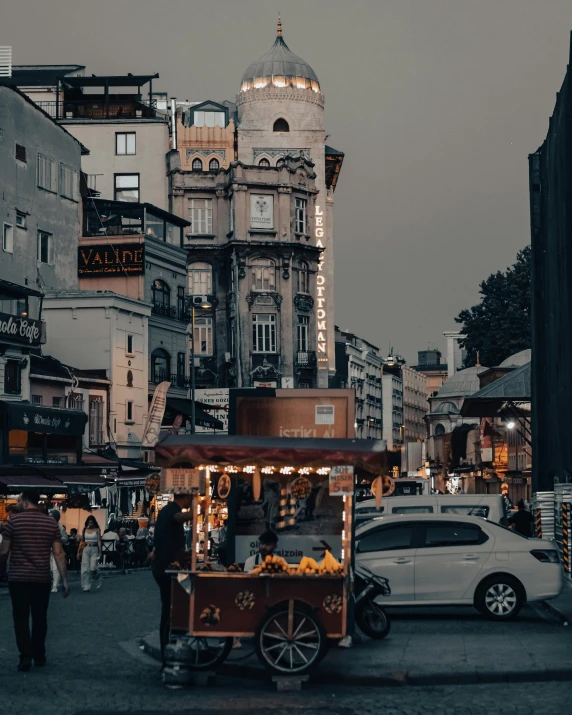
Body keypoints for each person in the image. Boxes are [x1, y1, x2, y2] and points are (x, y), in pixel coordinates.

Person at [0, 490, 69, 671]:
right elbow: (59, 553)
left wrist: (0, 570)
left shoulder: (13, 522)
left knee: (20, 618)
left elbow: (4, 551)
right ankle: (39, 654)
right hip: (41, 578)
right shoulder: (50, 523)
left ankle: (25, 655)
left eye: (20, 500)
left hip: (18, 578)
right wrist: (64, 580)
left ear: (24, 502)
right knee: (40, 618)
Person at [150, 488, 195, 664]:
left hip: (164, 566)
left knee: (170, 608)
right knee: (168, 610)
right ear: (187, 497)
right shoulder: (171, 510)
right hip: (166, 568)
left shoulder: (166, 509)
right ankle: (166, 652)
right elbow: (179, 518)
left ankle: (169, 646)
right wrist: (199, 510)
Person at [79, 515, 102, 592]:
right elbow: (82, 541)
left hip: (94, 548)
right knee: (85, 568)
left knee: (93, 568)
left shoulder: (97, 530)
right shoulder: (84, 529)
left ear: (94, 522)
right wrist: (79, 551)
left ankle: (98, 579)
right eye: (89, 522)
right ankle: (86, 586)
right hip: (86, 548)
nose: (90, 524)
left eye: (91, 522)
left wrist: (100, 551)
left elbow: (99, 540)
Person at [49, 510, 69, 593]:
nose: (50, 518)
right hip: (46, 550)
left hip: (56, 549)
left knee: (55, 568)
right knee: (49, 568)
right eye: (49, 516)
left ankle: (55, 585)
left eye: (51, 516)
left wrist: (58, 538)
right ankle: (51, 584)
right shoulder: (45, 526)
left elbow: (65, 539)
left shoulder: (60, 528)